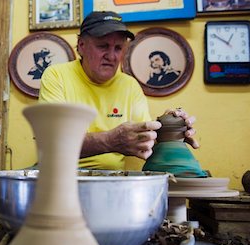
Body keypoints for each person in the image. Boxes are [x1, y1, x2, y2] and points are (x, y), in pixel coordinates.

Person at [39, 11, 198, 170]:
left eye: (118, 48)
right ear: (81, 46)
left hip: (111, 182)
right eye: (103, 46)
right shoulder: (56, 76)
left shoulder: (129, 85)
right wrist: (110, 140)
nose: (112, 56)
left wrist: (172, 133)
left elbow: (146, 138)